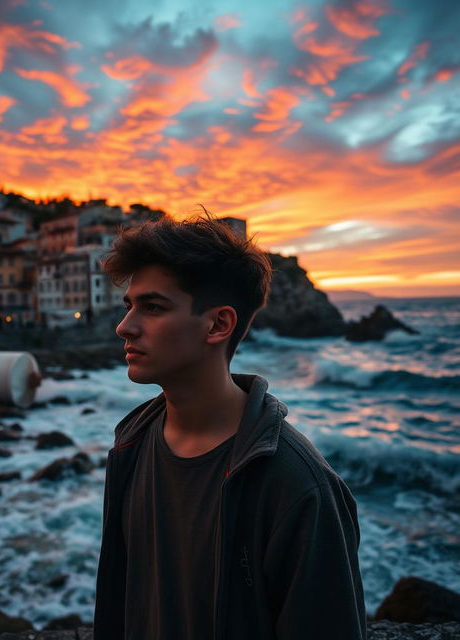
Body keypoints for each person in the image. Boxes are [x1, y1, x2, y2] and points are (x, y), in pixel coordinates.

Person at [93, 215, 366, 640]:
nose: (124, 326)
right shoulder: (132, 442)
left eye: (152, 307)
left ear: (218, 325)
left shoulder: (297, 486)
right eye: (129, 305)